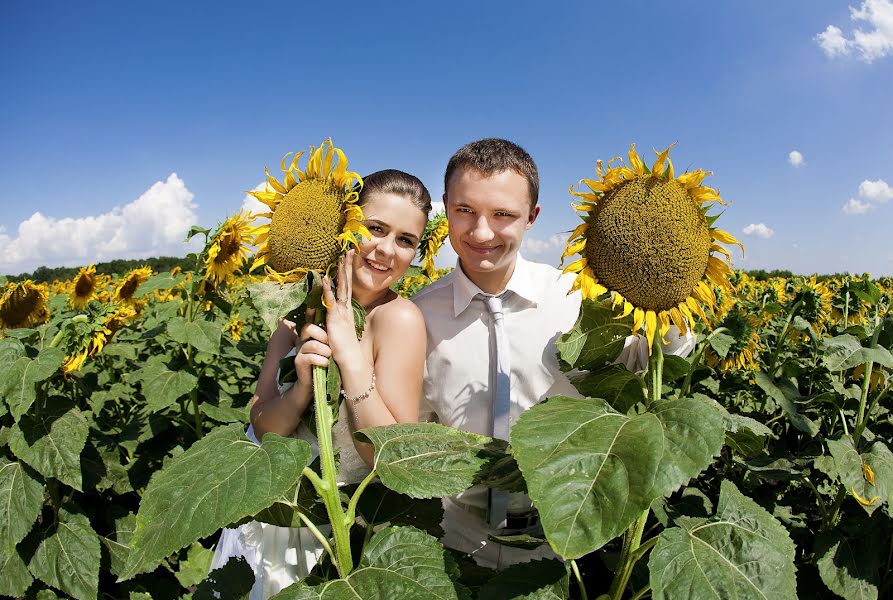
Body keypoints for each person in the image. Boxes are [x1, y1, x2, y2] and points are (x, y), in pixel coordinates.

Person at [412, 138, 694, 570]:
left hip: (564, 539)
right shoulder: (417, 317)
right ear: (446, 207)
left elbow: (645, 356)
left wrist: (668, 286)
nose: (482, 232)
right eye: (465, 211)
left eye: (503, 214)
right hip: (456, 538)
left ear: (532, 218)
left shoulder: (579, 298)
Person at [210, 169, 431, 598]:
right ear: (345, 225)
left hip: (339, 537)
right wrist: (301, 389)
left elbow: (389, 456)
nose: (386, 250)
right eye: (376, 229)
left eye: (405, 240)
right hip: (270, 520)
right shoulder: (293, 314)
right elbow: (261, 426)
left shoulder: (399, 320)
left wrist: (349, 357)